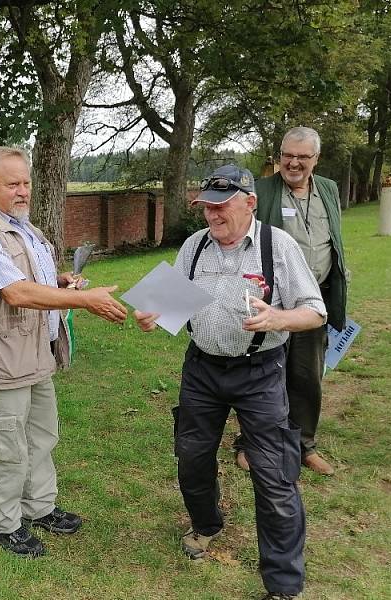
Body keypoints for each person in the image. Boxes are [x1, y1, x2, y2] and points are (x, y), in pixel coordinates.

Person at [135, 165, 326, 600]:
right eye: (207, 208)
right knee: (192, 456)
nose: (212, 216)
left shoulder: (277, 247)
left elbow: (316, 311)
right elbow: (167, 306)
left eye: (222, 208)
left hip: (260, 370)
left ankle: (282, 584)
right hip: (202, 369)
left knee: (274, 473)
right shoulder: (194, 247)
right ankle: (205, 525)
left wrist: (278, 317)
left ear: (250, 203)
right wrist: (152, 315)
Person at [0, 146, 127, 557]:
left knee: (42, 438)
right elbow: (14, 291)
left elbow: (31, 276)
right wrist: (84, 301)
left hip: (35, 354)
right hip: (0, 360)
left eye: (26, 183)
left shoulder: (22, 226)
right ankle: (4, 524)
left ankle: (39, 507)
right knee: (6, 449)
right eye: (13, 184)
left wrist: (61, 282)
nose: (23, 191)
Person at [235, 126, 347, 476]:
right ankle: (250, 444)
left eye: (302, 157)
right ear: (279, 155)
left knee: (307, 376)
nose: (293, 163)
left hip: (313, 304)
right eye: (288, 155)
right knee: (263, 377)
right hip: (274, 302)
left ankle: (304, 445)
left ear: (316, 159)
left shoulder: (327, 189)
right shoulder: (260, 189)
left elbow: (333, 241)